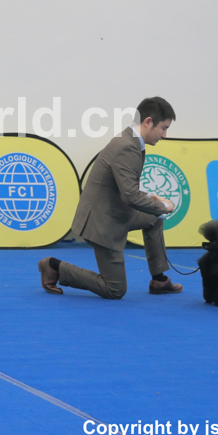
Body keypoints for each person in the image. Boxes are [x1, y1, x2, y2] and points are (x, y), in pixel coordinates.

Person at [38, 96, 183, 299]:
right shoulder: (127, 147)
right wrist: (163, 207)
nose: (165, 135)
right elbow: (130, 196)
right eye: (164, 128)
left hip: (113, 211)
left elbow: (125, 187)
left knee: (154, 218)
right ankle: (54, 267)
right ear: (148, 122)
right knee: (115, 290)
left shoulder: (130, 140)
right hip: (102, 223)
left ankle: (159, 280)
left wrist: (152, 198)